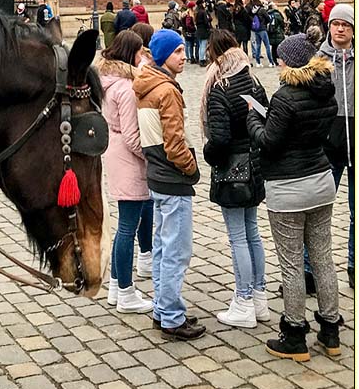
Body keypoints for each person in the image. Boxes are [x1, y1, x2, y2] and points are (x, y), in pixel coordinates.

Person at [247, 34, 342, 361]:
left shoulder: (285, 97)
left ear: (291, 62)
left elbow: (268, 142)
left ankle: (295, 334)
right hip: (321, 181)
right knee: (323, 257)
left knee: (291, 264)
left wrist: (253, 117)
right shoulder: (326, 93)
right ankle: (331, 332)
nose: (278, 62)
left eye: (281, 58)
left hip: (288, 189)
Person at [134, 29, 206, 340]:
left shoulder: (146, 86)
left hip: (156, 175)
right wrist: (191, 168)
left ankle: (163, 309)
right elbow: (175, 142)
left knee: (163, 248)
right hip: (172, 177)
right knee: (176, 250)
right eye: (177, 52)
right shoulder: (167, 91)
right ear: (164, 56)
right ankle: (173, 318)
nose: (183, 56)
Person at [200, 29, 270, 327]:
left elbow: (219, 139)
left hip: (232, 172)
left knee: (238, 237)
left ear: (216, 56)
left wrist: (208, 154)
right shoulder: (253, 82)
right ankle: (260, 297)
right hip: (255, 167)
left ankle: (242, 301)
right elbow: (266, 117)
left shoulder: (220, 88)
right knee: (252, 232)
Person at [98, 30, 154, 314]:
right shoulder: (125, 88)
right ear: (131, 54)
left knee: (124, 225)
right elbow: (134, 138)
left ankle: (117, 287)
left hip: (113, 153)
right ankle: (126, 293)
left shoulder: (106, 82)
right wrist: (152, 156)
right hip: (129, 160)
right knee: (127, 227)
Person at [319, 3, 354, 289]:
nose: (340, 29)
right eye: (335, 24)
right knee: (318, 211)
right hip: (328, 142)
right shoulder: (318, 61)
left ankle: (354, 264)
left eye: (346, 25)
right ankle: (311, 270)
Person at [248, 0, 272, 67]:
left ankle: (258, 62)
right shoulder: (262, 9)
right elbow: (268, 18)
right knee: (267, 45)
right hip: (262, 28)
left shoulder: (253, 9)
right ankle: (271, 62)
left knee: (258, 45)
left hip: (256, 29)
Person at [195, 0, 211, 66]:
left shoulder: (197, 12)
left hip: (199, 30)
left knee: (201, 45)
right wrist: (209, 21)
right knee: (203, 45)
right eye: (204, 2)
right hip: (204, 30)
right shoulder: (203, 12)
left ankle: (200, 58)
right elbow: (206, 22)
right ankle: (202, 59)